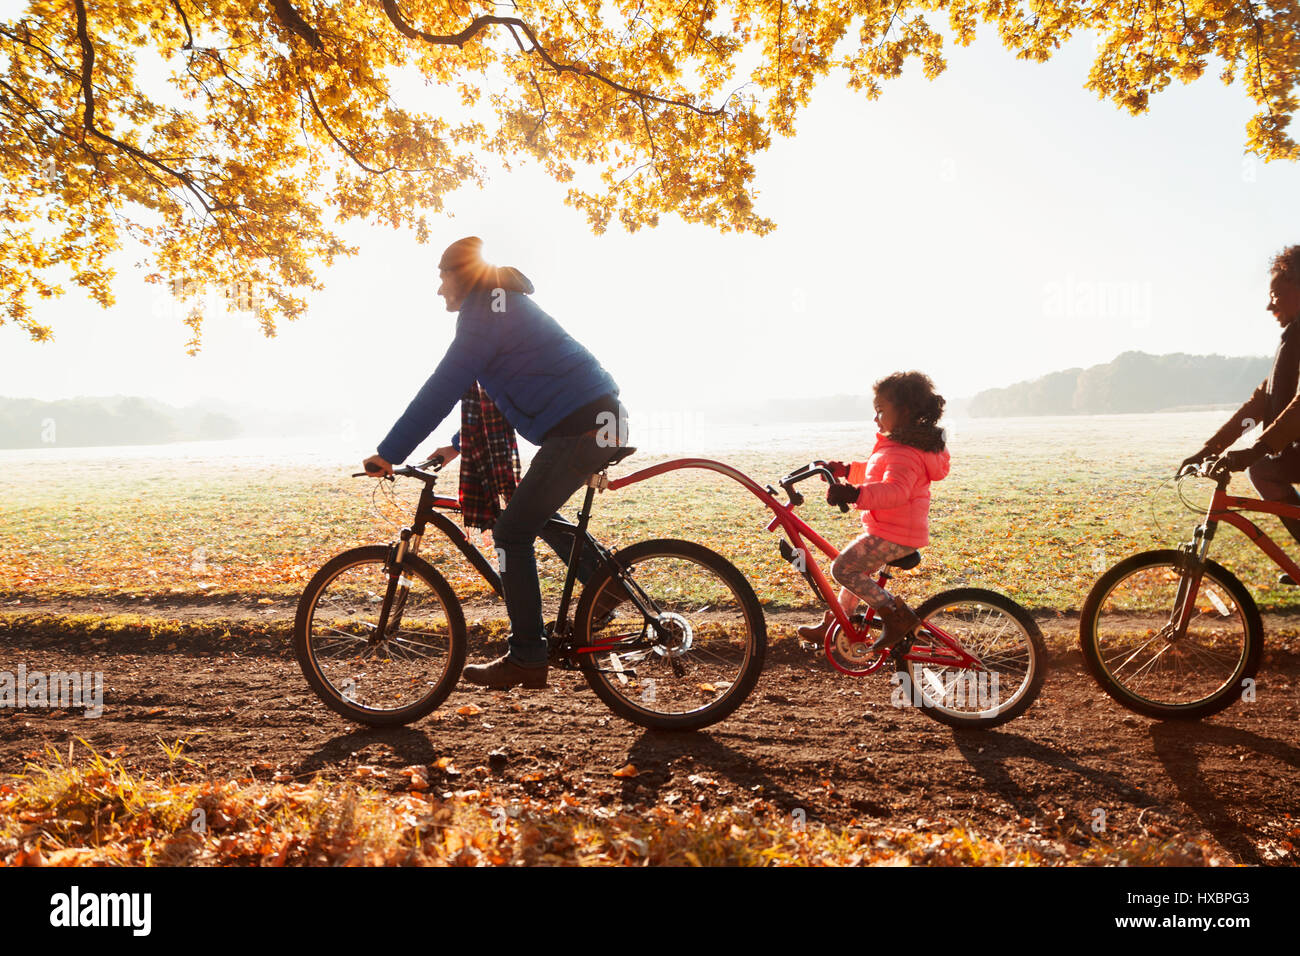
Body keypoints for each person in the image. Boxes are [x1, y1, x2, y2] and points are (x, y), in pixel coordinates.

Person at [363, 237, 627, 689]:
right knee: (531, 512)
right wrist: (453, 445)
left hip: (584, 426)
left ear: (461, 275)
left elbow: (445, 384)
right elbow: (508, 396)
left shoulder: (485, 309)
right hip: (595, 421)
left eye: (442, 276)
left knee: (511, 532)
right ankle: (605, 584)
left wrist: (390, 452)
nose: (439, 289)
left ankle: (528, 656)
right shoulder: (497, 308)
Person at [796, 371, 951, 651]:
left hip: (895, 533)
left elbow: (895, 490)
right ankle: (836, 625)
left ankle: (894, 615)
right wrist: (845, 471)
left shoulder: (904, 451)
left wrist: (855, 494)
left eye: (880, 411)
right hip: (892, 529)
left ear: (904, 411)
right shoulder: (900, 445)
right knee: (857, 570)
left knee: (843, 568)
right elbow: (874, 472)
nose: (875, 418)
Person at [1179, 245, 1300, 550]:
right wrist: (1211, 448)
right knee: (1264, 469)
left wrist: (1257, 450)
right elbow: (1260, 402)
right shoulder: (1292, 339)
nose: (1269, 307)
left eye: (1275, 296)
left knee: (1264, 469)